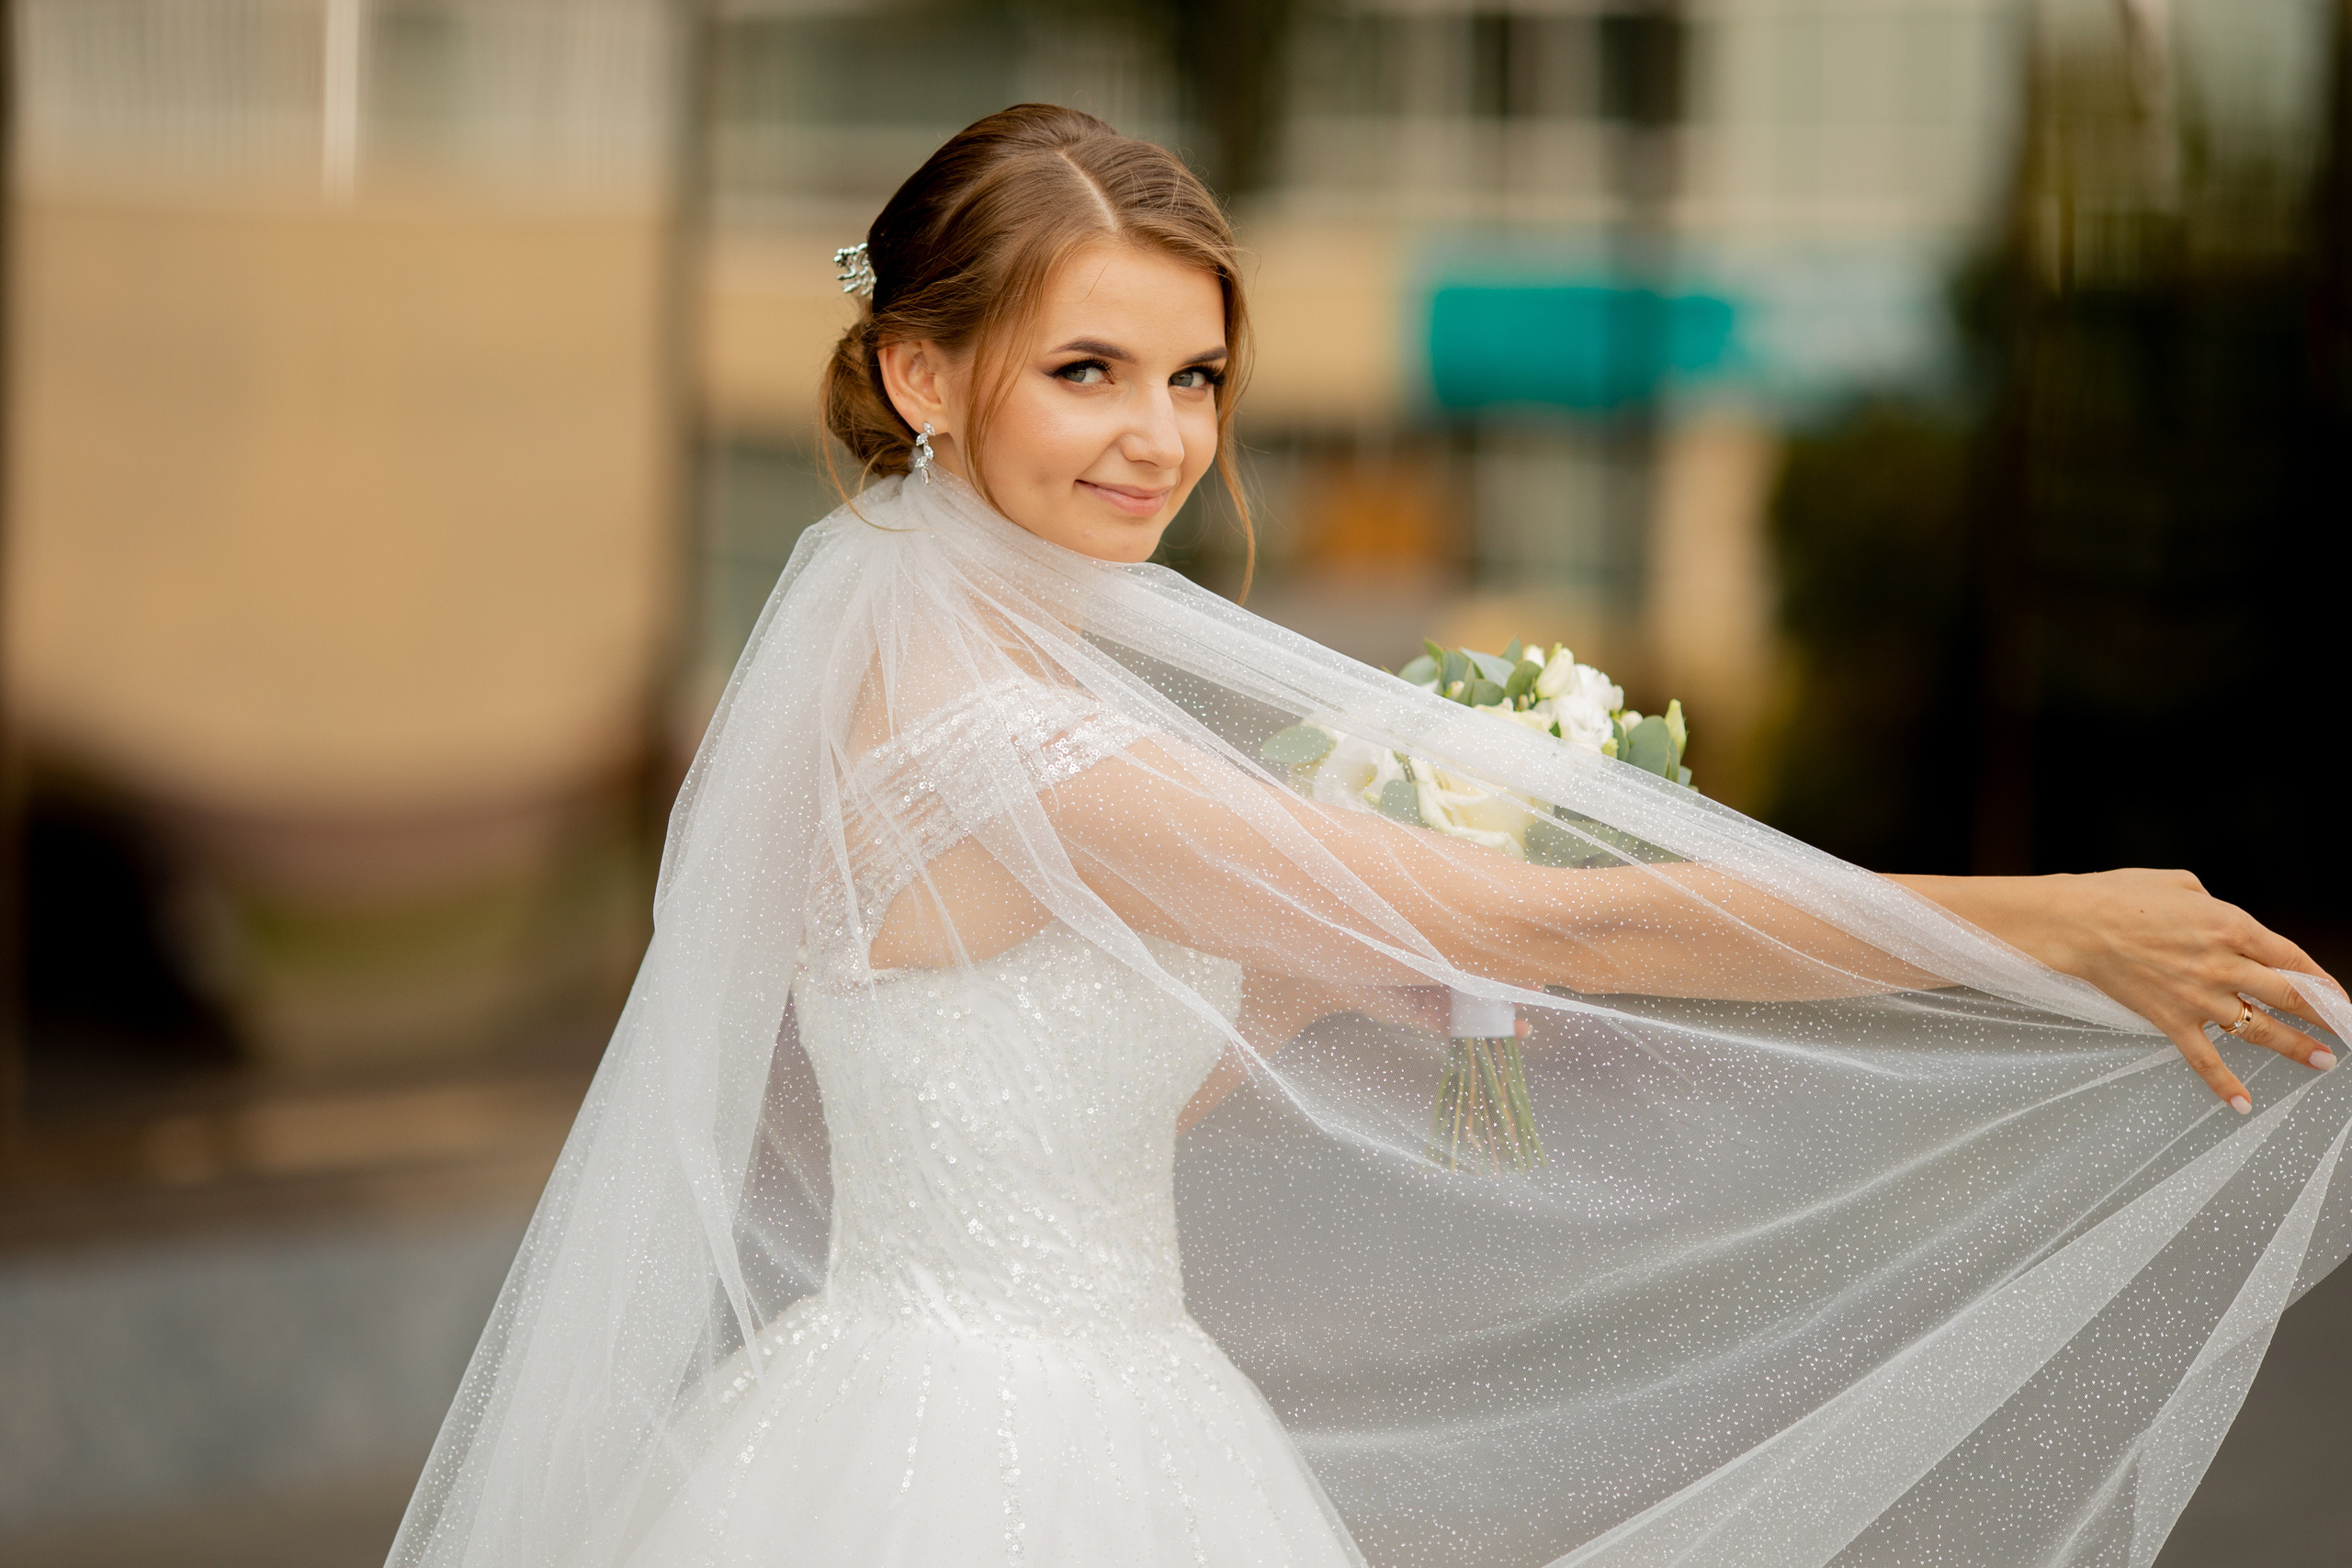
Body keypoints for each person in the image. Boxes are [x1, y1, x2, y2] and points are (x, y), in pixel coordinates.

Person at [390, 106, 2352, 1568]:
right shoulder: (1007, 744)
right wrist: (2047, 928)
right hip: (995, 1462)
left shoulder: (947, 683)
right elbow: (1550, 929)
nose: (1160, 436)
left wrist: (1325, 964)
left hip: (1023, 1402)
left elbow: (1057, 1107)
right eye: (1085, 371)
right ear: (921, 371)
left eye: (1193, 376)